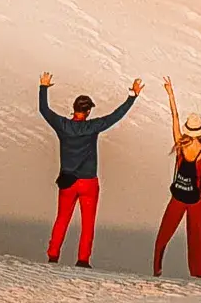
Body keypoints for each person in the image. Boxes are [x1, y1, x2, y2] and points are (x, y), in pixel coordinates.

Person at [38, 72, 141, 268]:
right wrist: (132, 96)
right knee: (88, 223)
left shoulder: (63, 125)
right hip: (89, 182)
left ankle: (53, 255)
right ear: (88, 112)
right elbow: (115, 117)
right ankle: (83, 259)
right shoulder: (92, 127)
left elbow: (44, 110)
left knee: (62, 219)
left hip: (68, 181)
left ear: (74, 109)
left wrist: (43, 87)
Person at [153, 78, 201, 279]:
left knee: (165, 232)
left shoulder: (180, 144)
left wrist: (170, 94)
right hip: (197, 197)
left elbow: (174, 117)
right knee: (197, 237)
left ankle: (157, 268)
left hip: (179, 194)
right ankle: (200, 274)